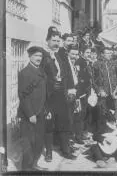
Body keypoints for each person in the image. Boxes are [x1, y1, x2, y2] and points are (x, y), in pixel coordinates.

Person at [41, 29, 76, 161]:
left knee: (64, 123)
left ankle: (65, 150)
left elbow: (67, 73)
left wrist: (70, 90)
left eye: (58, 41)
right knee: (49, 124)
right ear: (48, 41)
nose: (56, 43)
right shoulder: (43, 55)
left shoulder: (61, 55)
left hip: (62, 94)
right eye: (54, 41)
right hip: (49, 95)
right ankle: (48, 152)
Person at [18, 46, 47, 171]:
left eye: (40, 56)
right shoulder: (25, 73)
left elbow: (45, 93)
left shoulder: (42, 71)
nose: (38, 58)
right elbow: (23, 96)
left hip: (41, 112)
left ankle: (34, 164)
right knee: (28, 143)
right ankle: (26, 169)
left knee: (39, 141)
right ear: (29, 56)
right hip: (29, 115)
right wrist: (30, 114)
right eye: (36, 55)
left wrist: (47, 110)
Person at [93, 47, 117, 122]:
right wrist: (100, 91)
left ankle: (116, 129)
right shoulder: (96, 64)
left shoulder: (114, 63)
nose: (110, 55)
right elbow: (94, 80)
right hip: (104, 94)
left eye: (110, 53)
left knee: (116, 113)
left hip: (114, 92)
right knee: (104, 113)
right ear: (102, 54)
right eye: (107, 53)